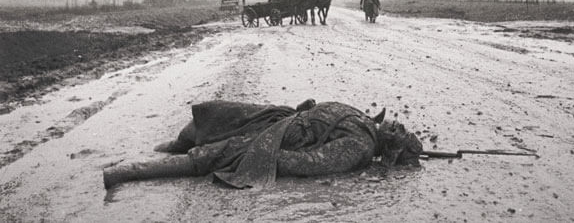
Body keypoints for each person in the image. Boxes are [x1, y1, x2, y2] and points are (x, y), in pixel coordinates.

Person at [103, 99, 422, 190]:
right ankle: (169, 146)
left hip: (281, 138)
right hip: (284, 120)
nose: (399, 125)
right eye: (403, 126)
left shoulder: (361, 147)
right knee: (221, 114)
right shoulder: (367, 120)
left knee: (215, 155)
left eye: (402, 135)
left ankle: (128, 171)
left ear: (392, 151)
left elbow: (312, 163)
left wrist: (262, 155)